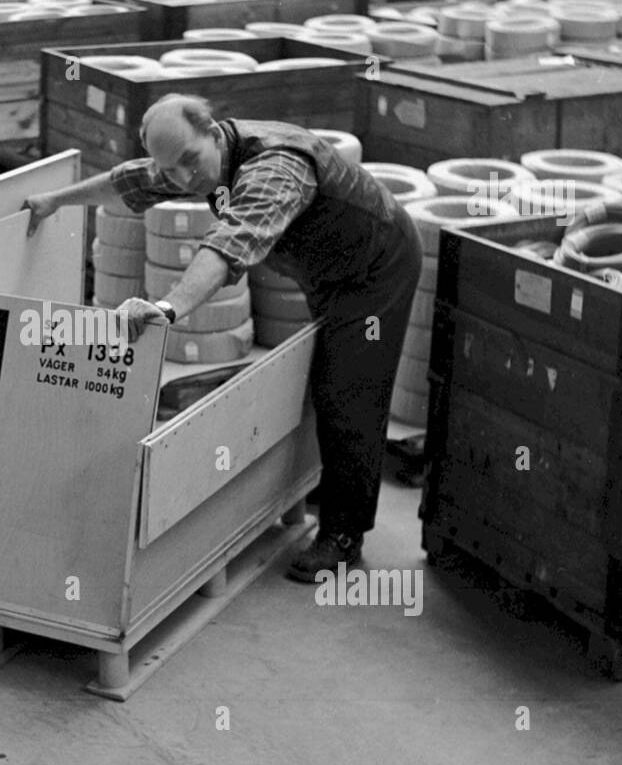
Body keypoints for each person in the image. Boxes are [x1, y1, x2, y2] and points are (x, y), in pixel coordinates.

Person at [22, 93, 423, 582]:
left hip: (375, 267)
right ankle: (334, 479)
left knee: (350, 389)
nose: (184, 180)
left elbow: (233, 242)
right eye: (172, 171)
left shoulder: (276, 168)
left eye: (190, 164)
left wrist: (168, 307)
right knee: (324, 371)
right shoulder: (193, 158)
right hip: (326, 268)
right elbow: (130, 184)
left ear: (214, 132)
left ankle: (344, 534)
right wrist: (54, 202)